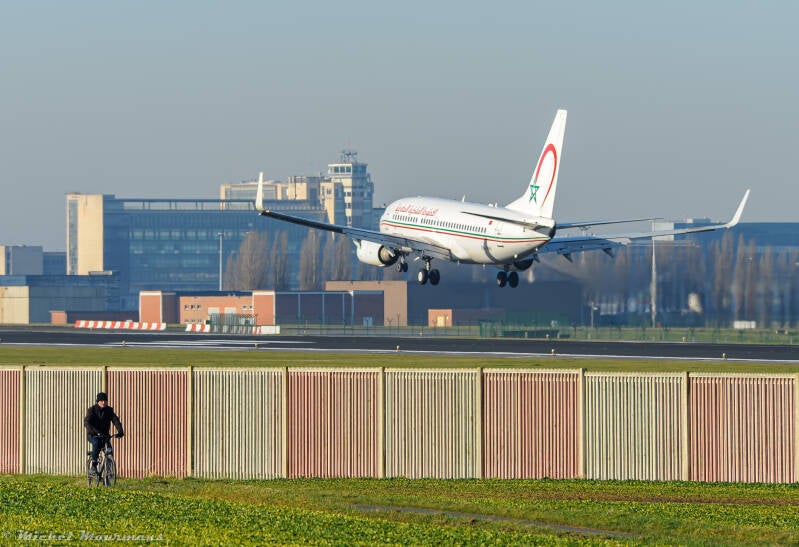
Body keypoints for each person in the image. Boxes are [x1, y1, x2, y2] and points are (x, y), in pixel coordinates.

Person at [84, 392, 124, 474]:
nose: (103, 402)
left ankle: (109, 472)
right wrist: (95, 432)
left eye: (105, 401)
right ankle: (93, 466)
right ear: (98, 401)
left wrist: (120, 431)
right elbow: (87, 423)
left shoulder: (109, 410)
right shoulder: (92, 410)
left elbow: (115, 420)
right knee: (97, 443)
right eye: (101, 400)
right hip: (93, 434)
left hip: (105, 435)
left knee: (109, 451)